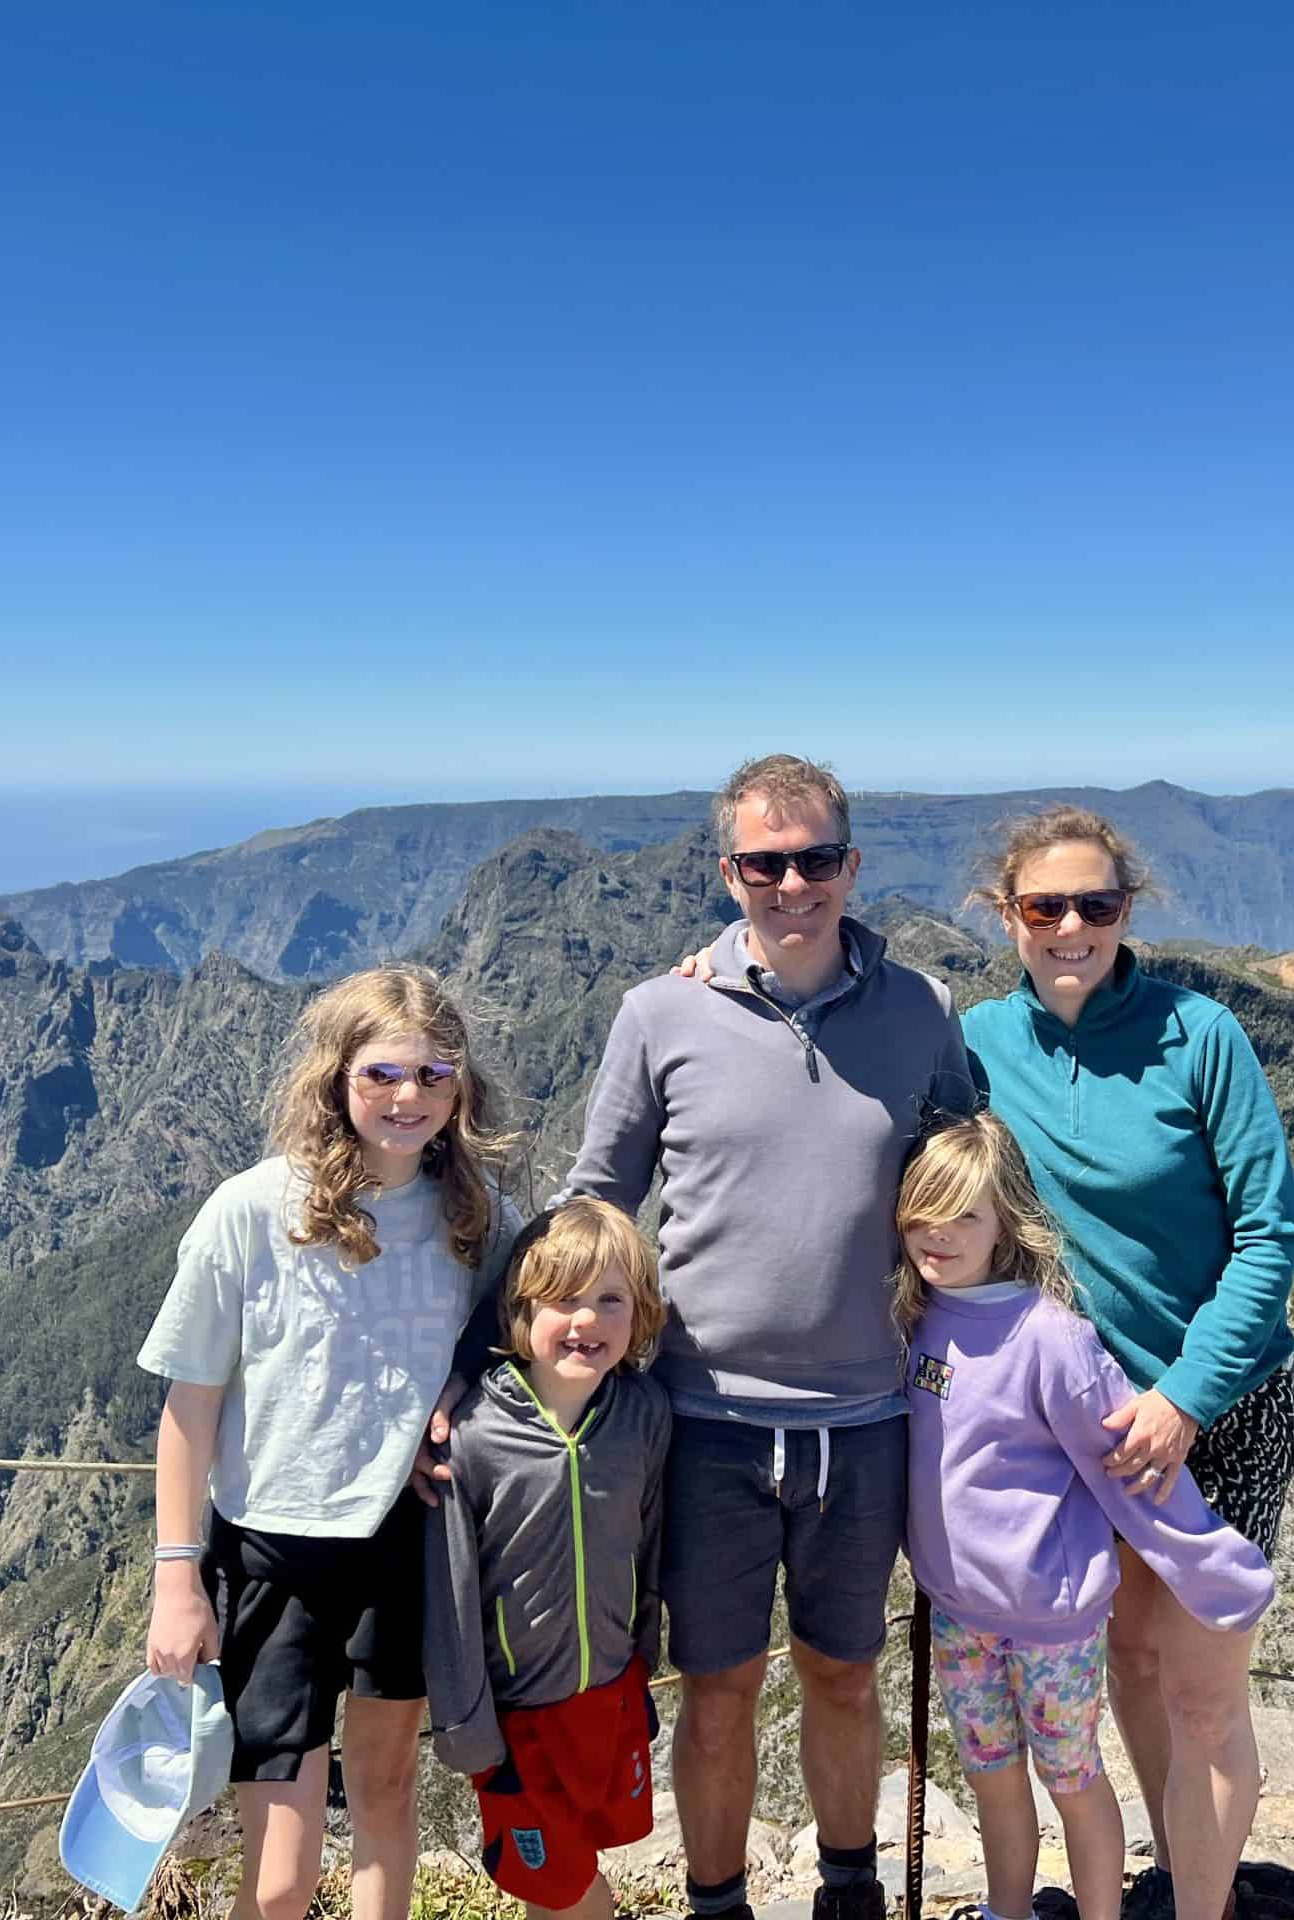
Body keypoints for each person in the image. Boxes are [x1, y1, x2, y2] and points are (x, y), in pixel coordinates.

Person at [566, 753, 970, 1920]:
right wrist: (518, 1373)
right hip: (705, 1424)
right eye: (764, 863)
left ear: (852, 864)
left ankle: (849, 1896)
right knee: (720, 1687)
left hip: (869, 1420)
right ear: (729, 870)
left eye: (814, 860)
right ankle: (718, 1902)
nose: (792, 885)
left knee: (844, 1676)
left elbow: (964, 1182)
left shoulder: (922, 1012)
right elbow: (600, 1201)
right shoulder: (661, 1012)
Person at [962, 806, 1294, 1920]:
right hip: (1073, 1425)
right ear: (1003, 913)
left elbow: (1270, 1235)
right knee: (1130, 1666)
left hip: (1219, 1410)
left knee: (1202, 1691)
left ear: (1127, 912)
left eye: (1096, 905)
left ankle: (1198, 1911)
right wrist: (720, 965)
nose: (1071, 925)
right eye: (1044, 905)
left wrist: (1187, 1399)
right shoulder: (973, 1045)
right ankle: (1171, 1882)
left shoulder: (1200, 1036)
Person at [140, 964, 523, 1920]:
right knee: (278, 1872)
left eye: (436, 1075)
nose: (409, 1097)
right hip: (274, 1549)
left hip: (407, 1540)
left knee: (389, 1798)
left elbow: (509, 1344)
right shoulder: (250, 1211)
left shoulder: (479, 1222)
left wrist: (462, 1391)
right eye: (382, 1074)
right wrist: (176, 1578)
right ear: (335, 1078)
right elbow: (190, 1407)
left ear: (462, 1087)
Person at [897, 1110, 1273, 1920]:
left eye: (964, 1213)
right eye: (923, 1209)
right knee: (993, 1779)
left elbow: (1128, 1473)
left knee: (1071, 1782)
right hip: (961, 1616)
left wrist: (1214, 1566)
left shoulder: (1052, 1340)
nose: (939, 1233)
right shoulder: (915, 1320)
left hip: (1050, 1624)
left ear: (1005, 1220)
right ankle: (1009, 1909)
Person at [422, 1197, 675, 1920]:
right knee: (563, 1884)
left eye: (610, 1300)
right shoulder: (471, 1439)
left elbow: (649, 1545)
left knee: (567, 1870)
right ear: (520, 1313)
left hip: (608, 1694)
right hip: (517, 1716)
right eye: (563, 1300)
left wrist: (643, 1663)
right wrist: (468, 1728)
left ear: (640, 1313)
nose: (587, 1320)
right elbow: (452, 1594)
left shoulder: (642, 1416)